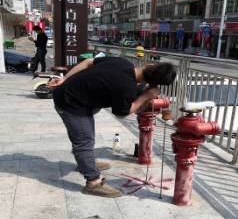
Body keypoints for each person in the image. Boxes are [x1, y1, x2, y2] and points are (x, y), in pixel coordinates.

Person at [48, 56, 176, 198]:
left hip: (74, 95)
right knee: (84, 141)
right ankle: (93, 182)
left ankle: (85, 163)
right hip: (69, 103)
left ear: (148, 64)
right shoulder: (126, 88)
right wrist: (145, 97)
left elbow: (88, 61)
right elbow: (122, 113)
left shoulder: (122, 62)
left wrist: (65, 78)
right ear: (151, 83)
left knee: (86, 137)